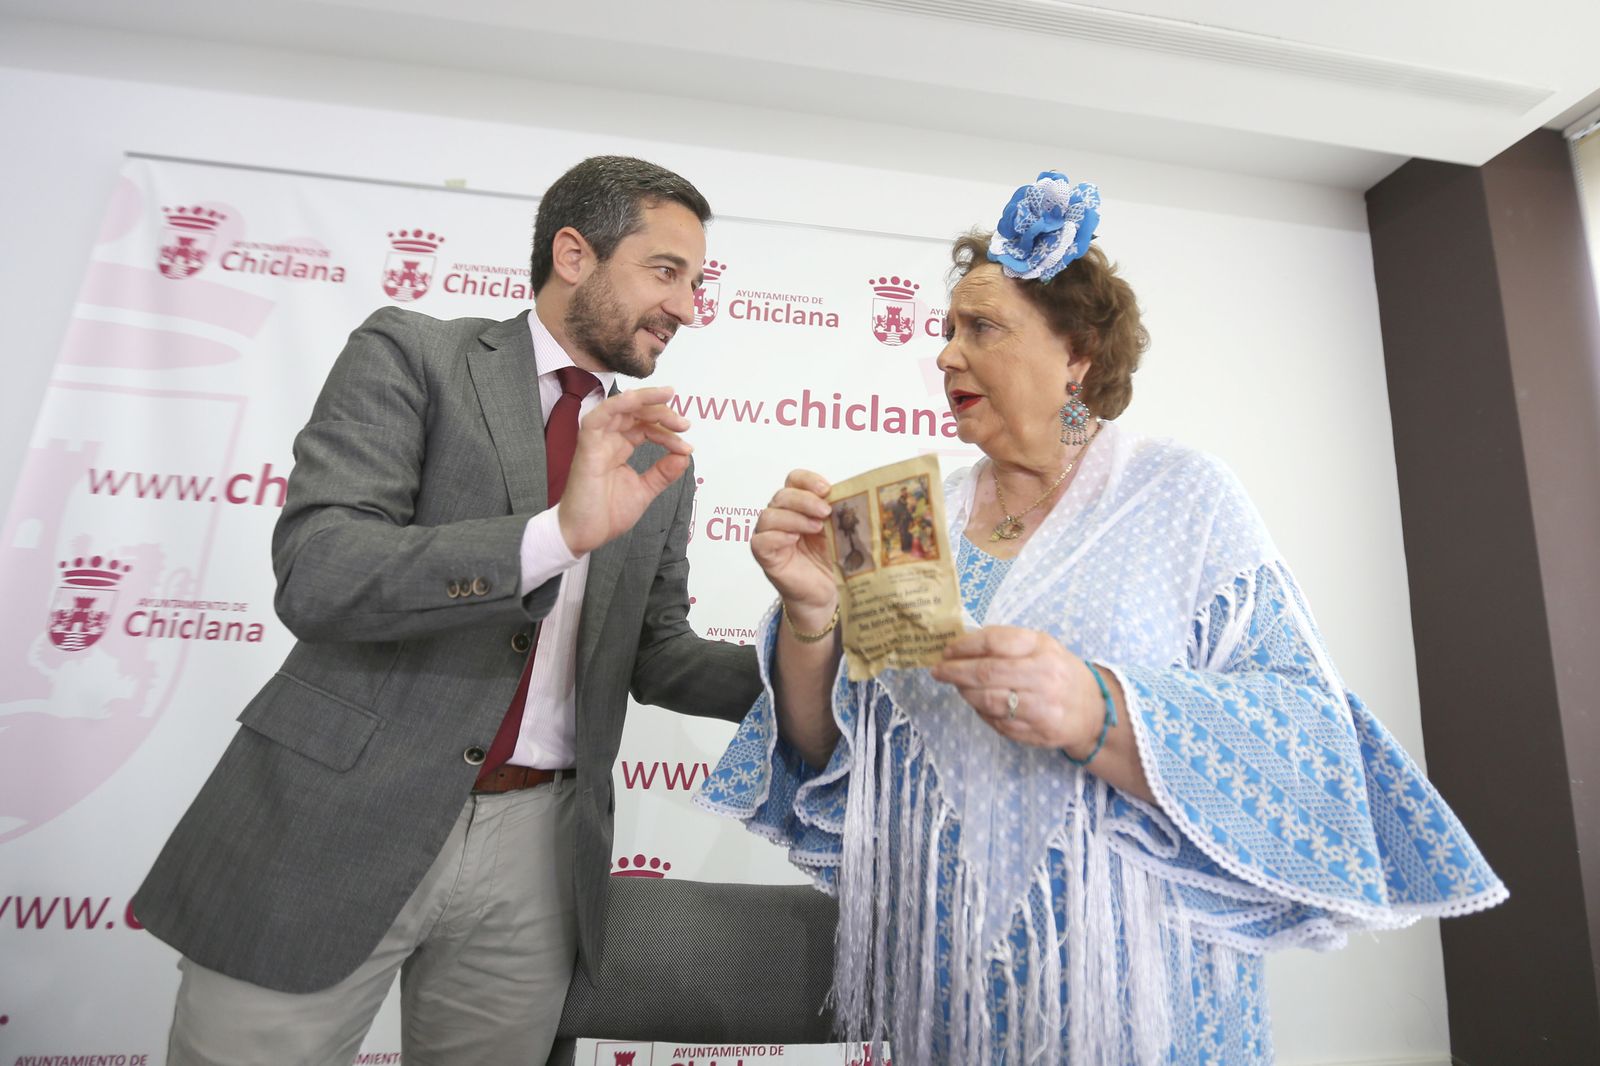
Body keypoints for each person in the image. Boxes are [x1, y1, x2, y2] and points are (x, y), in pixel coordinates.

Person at [699, 172, 1506, 1065]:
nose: (944, 356)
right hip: (946, 989)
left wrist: (1099, 709)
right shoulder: (900, 513)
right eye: (945, 331)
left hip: (1138, 992)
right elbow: (830, 760)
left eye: (982, 329)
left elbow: (1311, 734)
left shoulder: (1182, 496)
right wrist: (812, 615)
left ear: (1077, 353)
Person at [133, 156, 760, 1065]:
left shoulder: (658, 460)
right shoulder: (413, 354)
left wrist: (822, 654)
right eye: (668, 272)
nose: (690, 307)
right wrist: (554, 535)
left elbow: (657, 654)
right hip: (335, 820)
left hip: (539, 850)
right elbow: (320, 571)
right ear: (574, 254)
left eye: (698, 282)